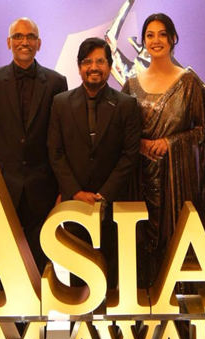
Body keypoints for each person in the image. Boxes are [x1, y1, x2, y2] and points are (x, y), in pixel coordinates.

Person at [122, 13, 205, 289]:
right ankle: (143, 307)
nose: (156, 40)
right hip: (140, 180)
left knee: (177, 244)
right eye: (150, 35)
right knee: (140, 244)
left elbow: (204, 130)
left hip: (178, 182)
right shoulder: (131, 84)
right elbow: (119, 132)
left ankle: (180, 309)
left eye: (162, 34)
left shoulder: (189, 82)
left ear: (173, 39)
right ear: (143, 41)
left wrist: (171, 142)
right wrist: (140, 144)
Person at [47, 37, 140, 289]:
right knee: (79, 280)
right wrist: (75, 192)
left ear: (110, 66)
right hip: (75, 205)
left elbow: (129, 155)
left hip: (113, 206)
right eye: (87, 62)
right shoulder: (61, 103)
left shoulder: (126, 105)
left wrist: (104, 194)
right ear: (79, 67)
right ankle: (81, 316)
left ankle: (111, 316)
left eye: (100, 61)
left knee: (112, 277)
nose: (94, 67)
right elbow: (55, 152)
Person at [0, 18, 67, 277]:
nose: (24, 42)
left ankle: (39, 306)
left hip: (43, 188)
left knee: (41, 264)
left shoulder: (56, 82)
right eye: (18, 36)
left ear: (39, 44)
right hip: (4, 187)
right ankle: (6, 307)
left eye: (31, 37)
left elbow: (60, 139)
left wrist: (62, 188)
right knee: (5, 265)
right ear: (9, 42)